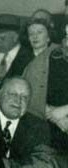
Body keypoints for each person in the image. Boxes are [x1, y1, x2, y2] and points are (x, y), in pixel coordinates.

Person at [23, 19, 68, 151]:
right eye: (31, 33)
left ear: (49, 36)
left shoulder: (57, 57)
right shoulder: (22, 59)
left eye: (39, 32)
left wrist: (61, 113)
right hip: (40, 120)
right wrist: (56, 117)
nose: (35, 36)